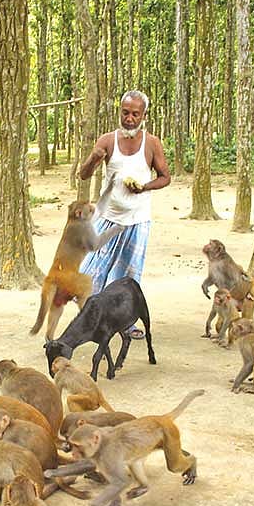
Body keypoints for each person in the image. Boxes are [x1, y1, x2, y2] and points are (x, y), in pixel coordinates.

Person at [78, 90, 171, 339]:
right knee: (93, 273)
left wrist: (144, 187)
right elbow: (83, 174)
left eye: (135, 114)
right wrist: (94, 159)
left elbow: (165, 177)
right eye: (125, 112)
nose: (129, 118)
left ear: (143, 116)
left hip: (137, 221)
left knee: (128, 277)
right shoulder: (107, 140)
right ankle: (91, 318)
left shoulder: (152, 143)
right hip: (108, 219)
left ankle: (124, 323)